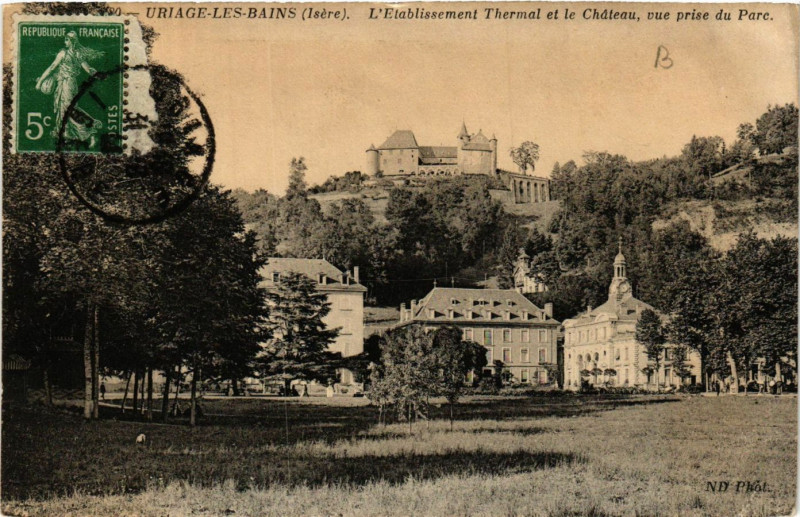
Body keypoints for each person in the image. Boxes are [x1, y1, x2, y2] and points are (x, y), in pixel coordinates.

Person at [35, 31, 103, 147]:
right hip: (69, 84)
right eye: (65, 39)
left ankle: (90, 128)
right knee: (64, 108)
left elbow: (52, 68)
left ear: (72, 41)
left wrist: (40, 81)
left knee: (68, 109)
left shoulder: (63, 53)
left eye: (67, 39)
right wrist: (95, 73)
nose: (65, 41)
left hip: (67, 84)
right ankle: (67, 134)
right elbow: (88, 69)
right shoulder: (78, 54)